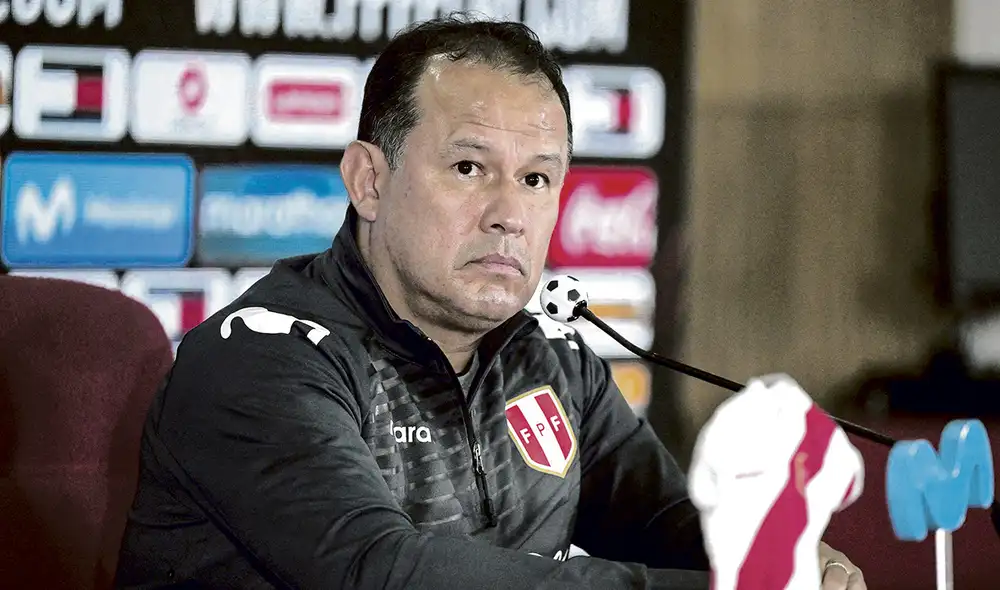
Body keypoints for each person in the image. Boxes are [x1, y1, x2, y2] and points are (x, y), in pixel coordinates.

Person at [115, 14, 865, 590]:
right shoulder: (264, 357)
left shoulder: (552, 361)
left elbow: (664, 521)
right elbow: (384, 572)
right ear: (368, 181)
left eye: (537, 179)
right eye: (470, 167)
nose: (510, 212)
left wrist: (782, 560)